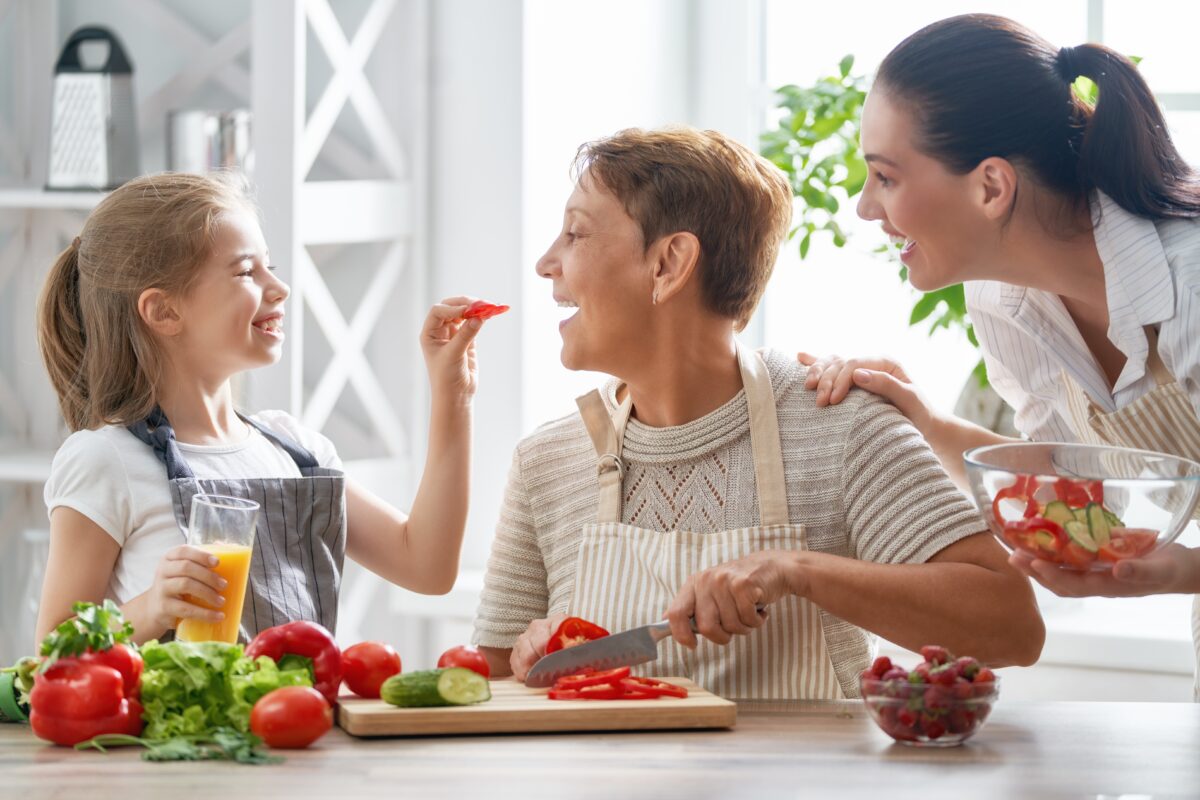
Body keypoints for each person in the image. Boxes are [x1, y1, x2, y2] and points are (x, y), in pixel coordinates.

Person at [471, 126, 1043, 699]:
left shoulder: (840, 424)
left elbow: (1013, 628)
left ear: (668, 264)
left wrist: (797, 571)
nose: (547, 263)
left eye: (575, 234)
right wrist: (531, 656)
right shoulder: (546, 462)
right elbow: (490, 687)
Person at [799, 14, 1200, 697]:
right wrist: (925, 424)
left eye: (886, 178)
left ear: (991, 187)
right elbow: (1072, 477)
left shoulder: (1190, 285)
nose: (865, 207)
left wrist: (1182, 571)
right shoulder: (1002, 303)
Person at [35, 171, 491, 645]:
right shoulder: (105, 460)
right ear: (164, 311)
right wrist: (149, 609)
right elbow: (51, 654)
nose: (280, 287)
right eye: (247, 272)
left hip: (305, 719)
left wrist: (453, 396)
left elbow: (427, 566)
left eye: (269, 266)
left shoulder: (297, 451)